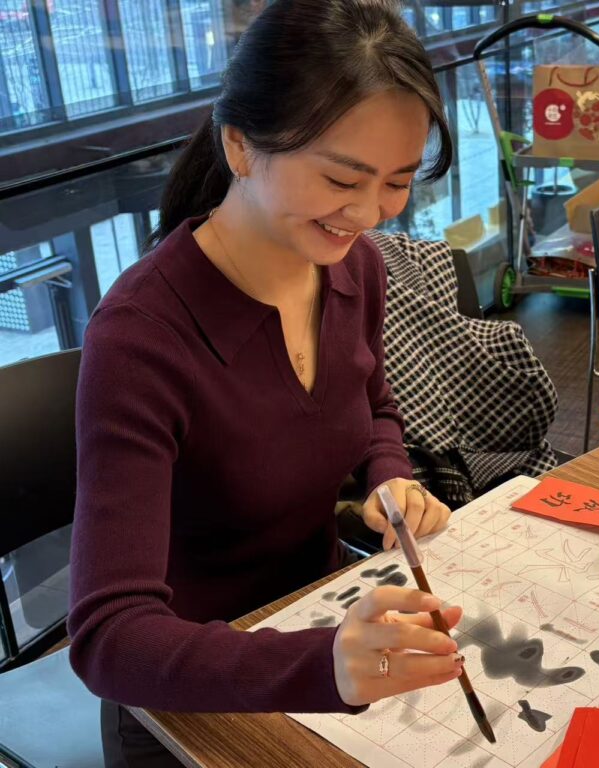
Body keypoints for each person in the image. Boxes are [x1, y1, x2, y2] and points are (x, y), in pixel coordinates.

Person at [69, 1, 464, 764]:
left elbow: (371, 401)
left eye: (398, 181)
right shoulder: (142, 339)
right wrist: (323, 665)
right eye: (342, 178)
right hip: (187, 699)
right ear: (240, 146)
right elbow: (108, 638)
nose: (369, 213)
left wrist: (389, 475)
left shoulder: (353, 268)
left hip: (320, 624)